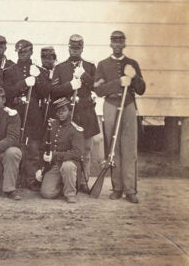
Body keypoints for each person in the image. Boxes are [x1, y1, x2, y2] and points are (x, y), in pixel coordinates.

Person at [94, 30, 146, 204]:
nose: (117, 44)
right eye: (114, 41)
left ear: (124, 44)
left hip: (129, 105)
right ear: (110, 44)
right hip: (111, 105)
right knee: (113, 147)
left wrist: (134, 77)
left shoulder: (132, 63)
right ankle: (117, 188)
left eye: (120, 41)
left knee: (129, 148)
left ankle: (130, 189)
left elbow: (141, 89)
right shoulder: (102, 65)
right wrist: (117, 83)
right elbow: (98, 90)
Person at [51, 35, 100, 193]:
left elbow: (98, 88)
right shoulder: (60, 68)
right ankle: (68, 181)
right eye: (72, 48)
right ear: (68, 48)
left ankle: (84, 181)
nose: (75, 51)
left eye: (78, 48)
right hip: (67, 116)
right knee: (68, 149)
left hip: (86, 115)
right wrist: (70, 85)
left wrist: (84, 75)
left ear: (82, 48)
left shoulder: (90, 66)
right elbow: (54, 91)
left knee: (85, 151)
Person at [2, 39, 49, 189]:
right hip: (16, 113)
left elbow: (45, 93)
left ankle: (31, 180)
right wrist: (23, 84)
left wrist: (39, 78)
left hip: (33, 114)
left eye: (26, 51)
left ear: (31, 52)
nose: (23, 54)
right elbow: (7, 93)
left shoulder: (40, 71)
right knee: (16, 146)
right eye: (20, 52)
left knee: (33, 149)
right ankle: (15, 179)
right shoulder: (9, 71)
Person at [37, 97, 84, 203]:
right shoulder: (52, 126)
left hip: (70, 165)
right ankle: (62, 185)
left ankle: (70, 193)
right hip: (54, 165)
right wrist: (40, 167)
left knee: (68, 166)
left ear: (70, 111)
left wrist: (55, 155)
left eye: (64, 111)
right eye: (58, 111)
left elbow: (77, 153)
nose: (61, 113)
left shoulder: (75, 129)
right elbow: (43, 148)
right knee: (47, 193)